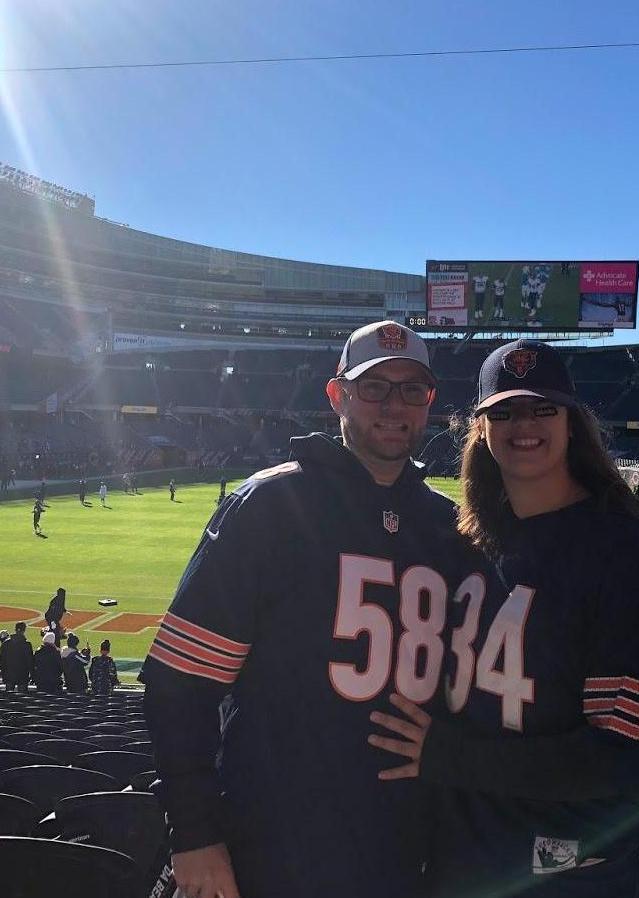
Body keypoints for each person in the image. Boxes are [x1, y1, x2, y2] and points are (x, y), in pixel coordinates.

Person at [140, 321, 474, 898]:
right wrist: (194, 835)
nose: (393, 405)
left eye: (411, 389)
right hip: (276, 844)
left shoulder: (449, 527)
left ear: (430, 403)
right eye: (374, 387)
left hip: (401, 848)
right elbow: (179, 685)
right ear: (337, 395)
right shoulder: (270, 506)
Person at [368, 339, 639, 897]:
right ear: (481, 428)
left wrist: (450, 756)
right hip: (467, 856)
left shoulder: (627, 556)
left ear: (572, 423)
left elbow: (626, 761)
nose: (526, 424)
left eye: (544, 408)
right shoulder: (470, 542)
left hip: (571, 872)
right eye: (505, 411)